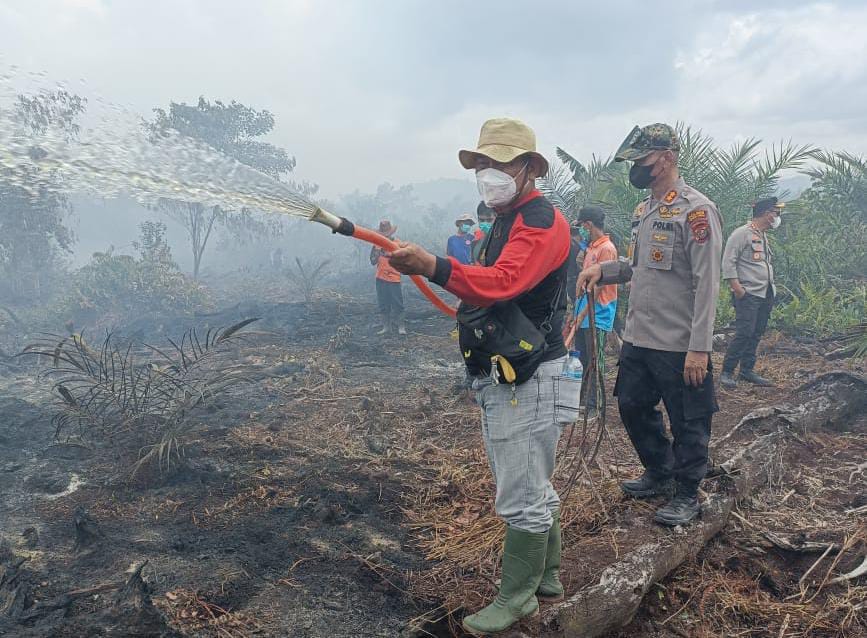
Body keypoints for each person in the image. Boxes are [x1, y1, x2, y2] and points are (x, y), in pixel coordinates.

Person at [389, 117, 570, 635]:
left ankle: (517, 599)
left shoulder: (537, 221)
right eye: (482, 164)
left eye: (501, 163)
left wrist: (433, 266)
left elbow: (503, 281)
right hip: (516, 371)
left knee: (520, 489)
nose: (488, 173)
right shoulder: (506, 217)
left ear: (529, 169)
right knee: (535, 477)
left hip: (528, 377)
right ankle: (549, 578)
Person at [578, 123, 722, 527]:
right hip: (639, 337)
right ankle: (659, 471)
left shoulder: (697, 211)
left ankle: (688, 492)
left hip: (678, 342)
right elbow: (639, 268)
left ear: (667, 158)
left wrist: (700, 346)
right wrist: (603, 270)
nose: (637, 169)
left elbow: (706, 283)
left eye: (642, 160)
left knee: (688, 418)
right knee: (632, 405)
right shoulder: (646, 211)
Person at [720, 197, 783, 388]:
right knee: (744, 332)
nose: (777, 217)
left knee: (756, 332)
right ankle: (727, 371)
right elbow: (728, 261)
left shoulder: (762, 235)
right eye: (775, 213)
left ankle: (747, 370)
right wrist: (737, 288)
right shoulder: (742, 234)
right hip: (748, 293)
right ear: (766, 213)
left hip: (765, 293)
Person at [571, 206, 618, 416]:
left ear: (588, 224)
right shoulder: (591, 248)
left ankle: (595, 404)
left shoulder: (606, 249)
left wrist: (583, 313)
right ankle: (584, 399)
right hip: (585, 311)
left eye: (581, 225)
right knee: (582, 358)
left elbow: (599, 286)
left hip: (597, 312)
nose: (580, 229)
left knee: (594, 359)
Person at [369, 219, 406, 336]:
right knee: (383, 303)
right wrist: (377, 252)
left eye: (387, 234)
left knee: (398, 303)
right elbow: (372, 261)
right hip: (380, 278)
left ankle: (401, 327)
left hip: (394, 278)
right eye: (383, 234)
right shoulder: (376, 245)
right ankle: (386, 327)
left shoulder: (398, 243)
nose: (385, 236)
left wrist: (390, 255)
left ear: (391, 233)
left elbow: (403, 260)